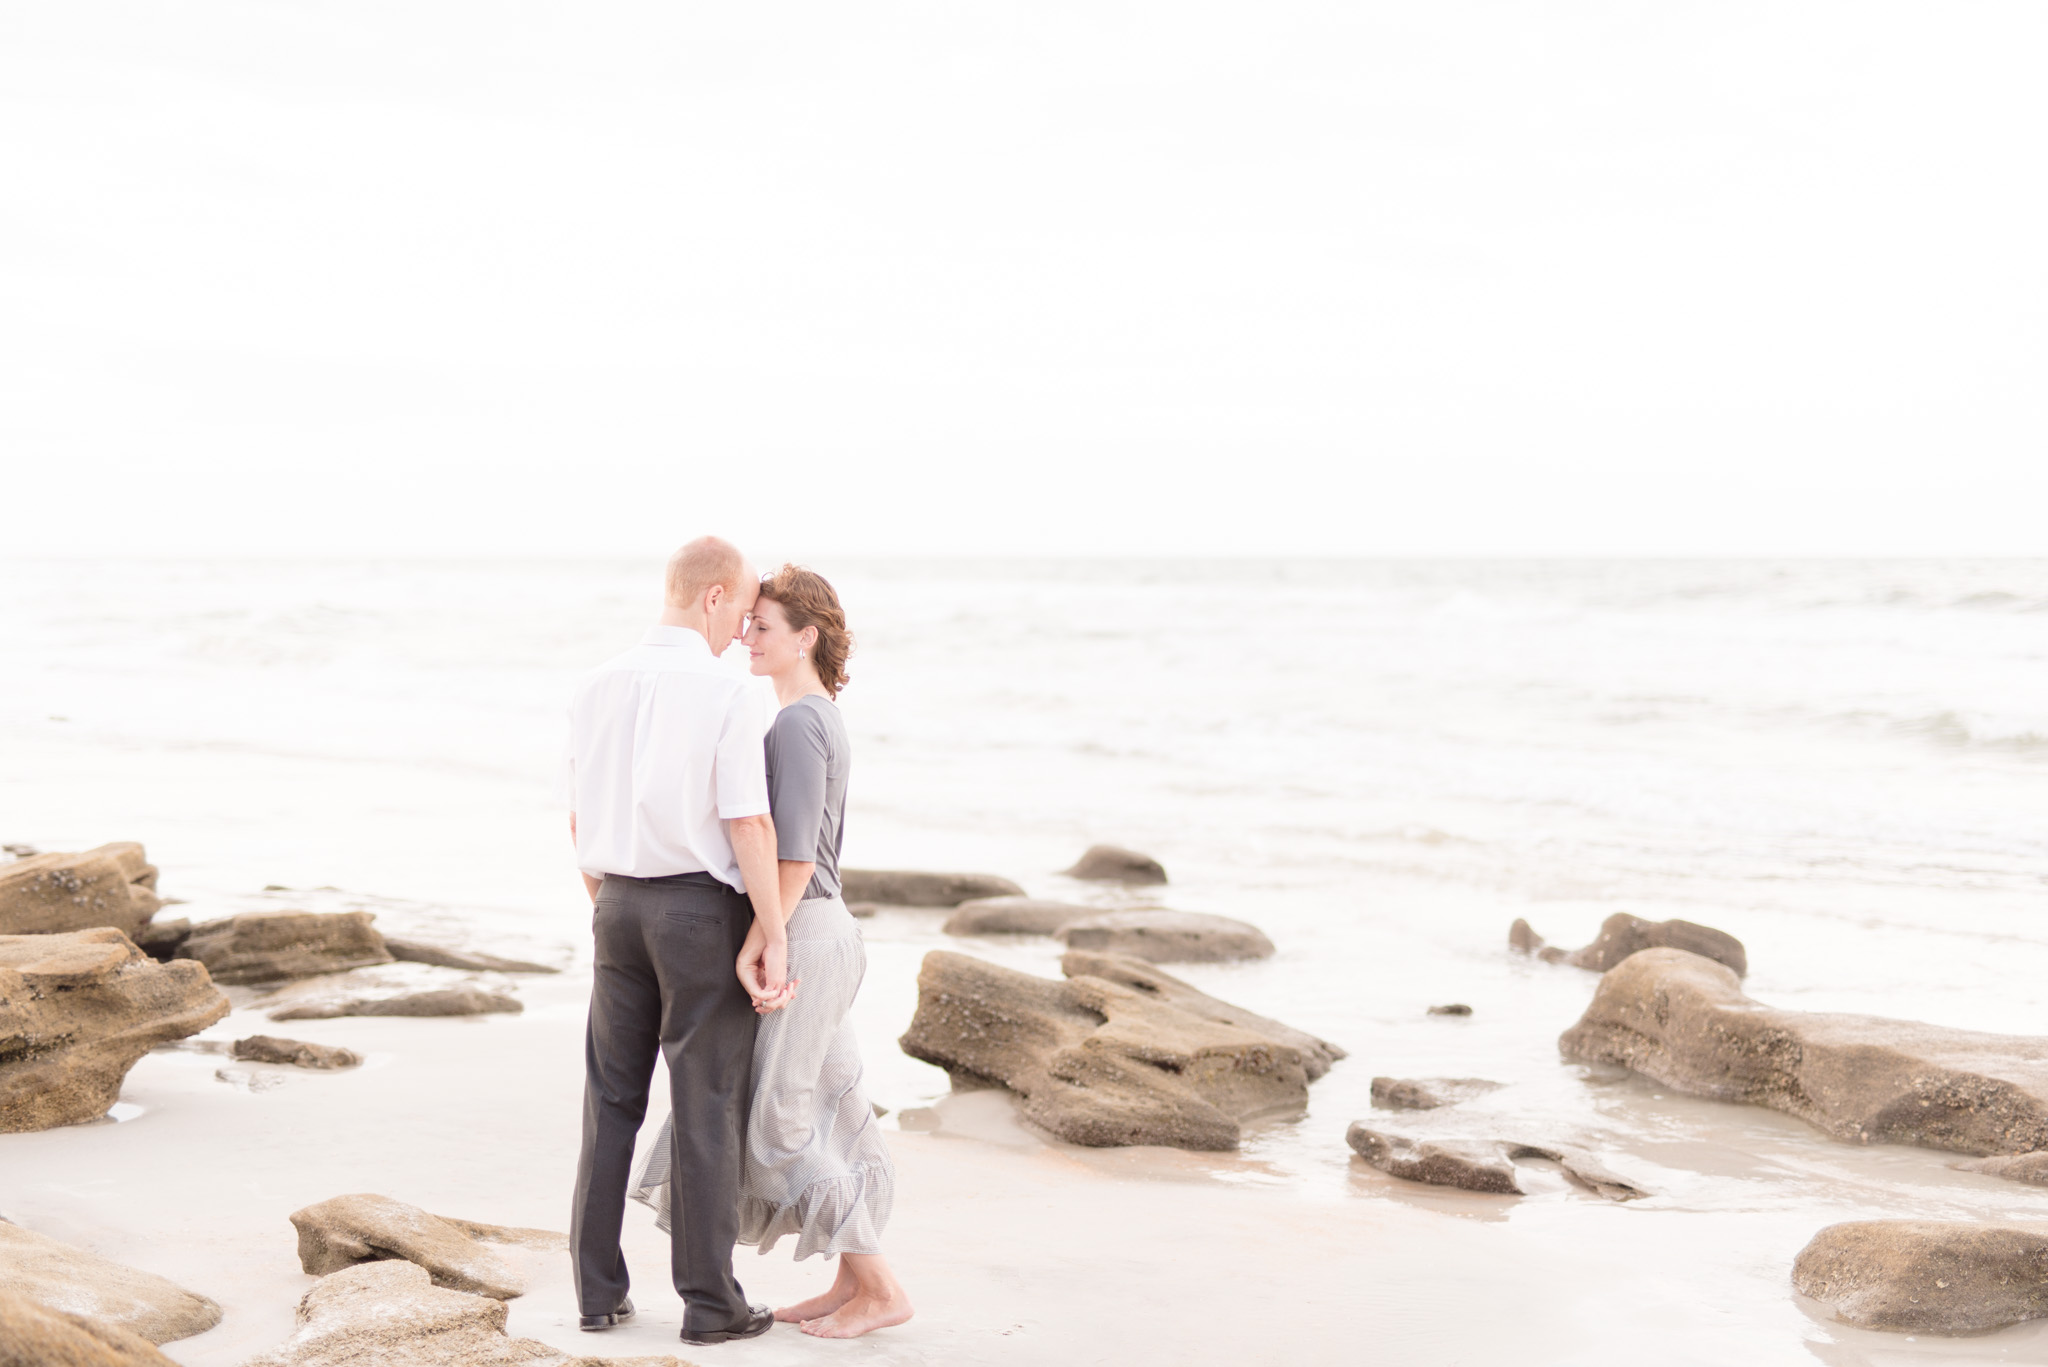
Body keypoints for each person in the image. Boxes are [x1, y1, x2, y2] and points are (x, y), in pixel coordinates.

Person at [630, 564, 912, 1339]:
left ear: (806, 637)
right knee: (838, 1101)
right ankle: (851, 1281)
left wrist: (764, 939)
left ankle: (881, 1286)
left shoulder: (794, 723)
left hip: (808, 927)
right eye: (747, 622)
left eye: (763, 626)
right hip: (826, 925)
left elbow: (790, 857)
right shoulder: (818, 714)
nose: (746, 636)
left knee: (781, 1122)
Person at [562, 535, 796, 1347]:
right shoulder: (729, 691)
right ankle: (708, 1302)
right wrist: (773, 929)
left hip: (615, 904)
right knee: (706, 1103)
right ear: (712, 596)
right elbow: (749, 820)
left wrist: (615, 903)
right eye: (741, 608)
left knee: (611, 1099)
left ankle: (596, 1292)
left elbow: (577, 819)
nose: (742, 630)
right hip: (700, 913)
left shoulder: (594, 684)